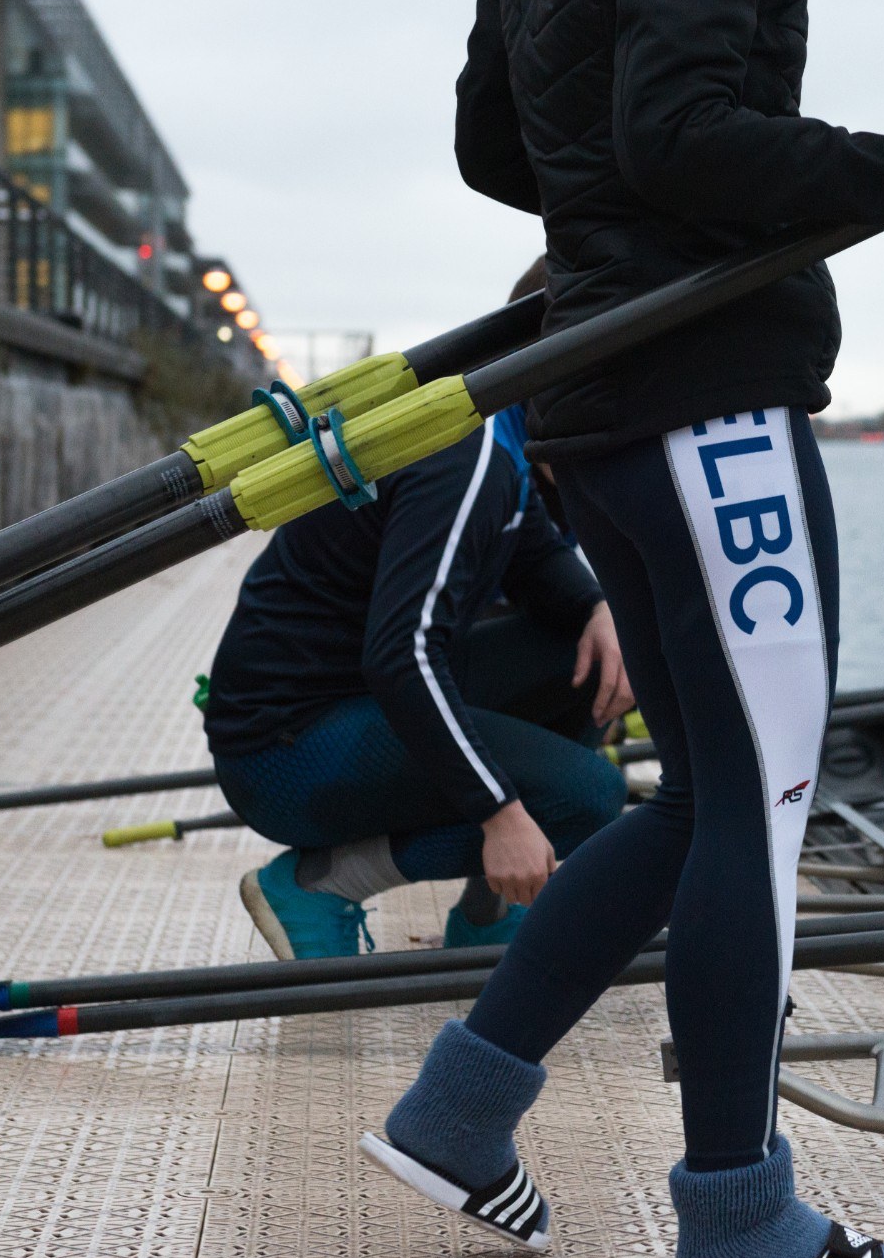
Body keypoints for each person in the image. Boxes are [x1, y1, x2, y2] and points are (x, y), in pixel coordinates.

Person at [360, 0, 884, 1258]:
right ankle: (739, 1222)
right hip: (710, 403)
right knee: (762, 808)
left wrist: (612, 208)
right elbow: (683, 137)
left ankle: (461, 1112)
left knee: (692, 803)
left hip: (600, 401)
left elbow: (492, 146)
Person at [201, 282, 637, 962]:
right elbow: (402, 653)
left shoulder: (497, 431)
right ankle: (322, 882)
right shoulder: (467, 458)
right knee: (589, 799)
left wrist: (597, 609)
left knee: (588, 656)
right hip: (284, 751)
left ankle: (493, 908)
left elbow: (535, 558)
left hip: (350, 702)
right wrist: (502, 813)